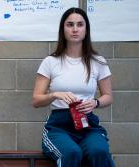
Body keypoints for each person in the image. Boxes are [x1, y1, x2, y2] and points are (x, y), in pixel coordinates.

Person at [32, 8, 115, 167]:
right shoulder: (51, 62)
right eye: (70, 25)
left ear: (86, 29)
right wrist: (54, 95)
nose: (75, 29)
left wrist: (95, 103)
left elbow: (108, 96)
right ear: (63, 29)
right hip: (59, 126)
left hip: (88, 124)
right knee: (71, 153)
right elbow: (36, 100)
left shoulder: (98, 61)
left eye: (80, 24)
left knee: (100, 151)